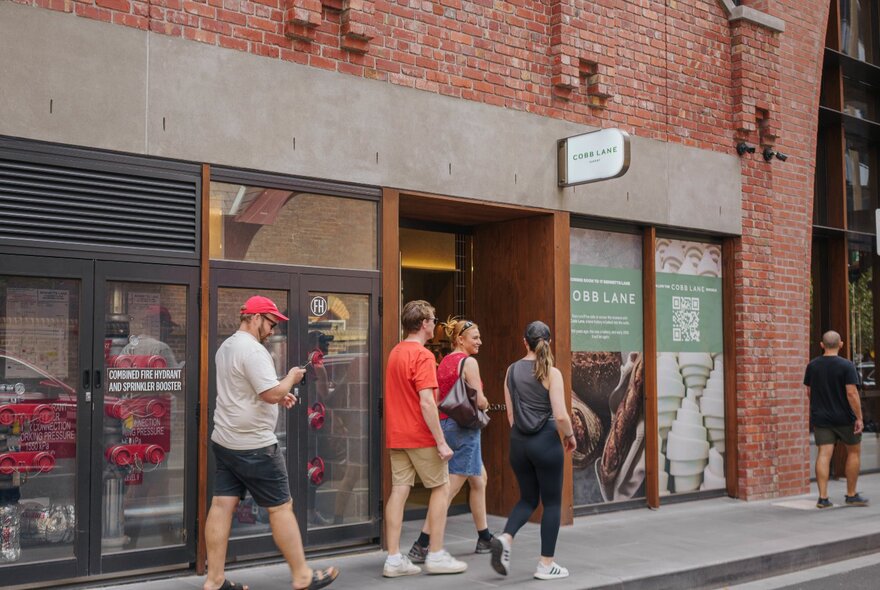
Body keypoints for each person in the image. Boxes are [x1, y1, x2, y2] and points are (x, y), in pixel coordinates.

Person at [204, 296, 339, 590]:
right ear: (253, 317)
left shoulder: (227, 346)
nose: (273, 329)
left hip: (225, 441)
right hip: (255, 446)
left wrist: (281, 392)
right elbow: (269, 394)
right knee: (281, 508)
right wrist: (289, 379)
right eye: (270, 322)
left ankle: (214, 580)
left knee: (221, 506)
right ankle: (302, 575)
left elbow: (250, 390)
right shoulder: (253, 350)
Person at [382, 300, 467, 577]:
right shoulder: (424, 356)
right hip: (420, 434)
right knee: (442, 488)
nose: (436, 323)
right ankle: (437, 554)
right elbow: (427, 403)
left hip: (397, 434)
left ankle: (393, 558)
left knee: (399, 491)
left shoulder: (395, 352)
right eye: (433, 319)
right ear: (423, 324)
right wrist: (441, 440)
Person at [490, 321, 576, 581]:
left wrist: (522, 436)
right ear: (547, 342)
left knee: (528, 498)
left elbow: (510, 414)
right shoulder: (552, 372)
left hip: (519, 443)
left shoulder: (511, 370)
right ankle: (546, 564)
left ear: (524, 342)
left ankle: (505, 537)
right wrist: (570, 436)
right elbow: (560, 415)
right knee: (551, 503)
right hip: (546, 442)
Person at [407, 318, 492, 563]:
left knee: (479, 479)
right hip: (465, 428)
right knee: (448, 489)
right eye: (475, 337)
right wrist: (487, 404)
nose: (479, 342)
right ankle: (422, 544)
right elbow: (480, 400)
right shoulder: (470, 362)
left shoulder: (444, 361)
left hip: (446, 425)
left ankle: (484, 537)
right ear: (460, 339)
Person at [804, 330, 869, 509]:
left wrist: (820, 408)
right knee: (853, 453)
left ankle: (823, 498)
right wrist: (859, 418)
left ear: (822, 345)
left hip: (822, 418)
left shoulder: (812, 366)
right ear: (841, 344)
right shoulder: (846, 366)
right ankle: (851, 494)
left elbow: (809, 391)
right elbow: (851, 393)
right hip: (845, 418)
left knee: (824, 454)